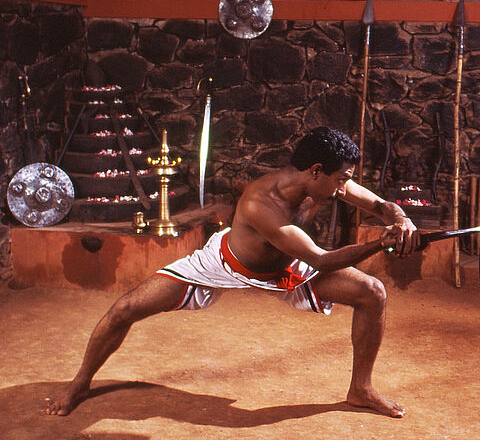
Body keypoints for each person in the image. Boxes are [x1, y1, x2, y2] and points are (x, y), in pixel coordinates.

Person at [44, 126, 418, 418]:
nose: (343, 189)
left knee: (373, 292)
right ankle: (79, 383)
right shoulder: (261, 203)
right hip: (226, 264)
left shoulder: (327, 182)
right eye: (339, 180)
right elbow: (320, 259)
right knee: (126, 309)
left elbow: (382, 205)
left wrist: (401, 221)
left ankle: (361, 389)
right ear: (316, 171)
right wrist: (380, 244)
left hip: (286, 267)